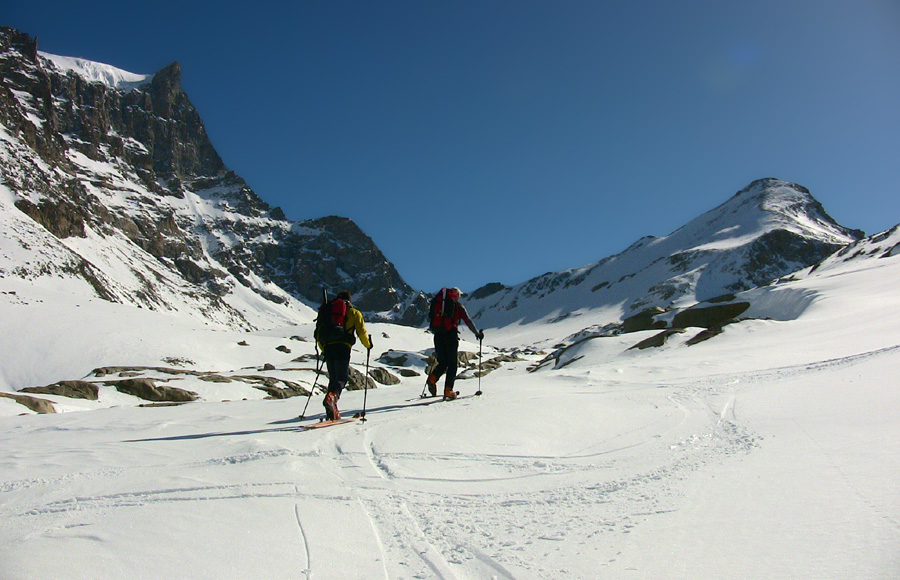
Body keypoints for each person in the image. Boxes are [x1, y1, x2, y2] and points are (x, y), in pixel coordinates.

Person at [315, 291, 372, 420]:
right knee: (342, 378)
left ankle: (332, 410)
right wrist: (368, 345)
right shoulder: (354, 313)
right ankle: (332, 398)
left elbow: (319, 333)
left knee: (333, 378)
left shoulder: (327, 312)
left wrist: (324, 349)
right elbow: (361, 332)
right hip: (343, 347)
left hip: (329, 347)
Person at [426, 287, 484, 400]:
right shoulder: (457, 306)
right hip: (450, 336)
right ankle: (448, 390)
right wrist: (477, 333)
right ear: (457, 296)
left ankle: (432, 378)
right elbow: (468, 321)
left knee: (442, 362)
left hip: (438, 335)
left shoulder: (438, 304)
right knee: (452, 364)